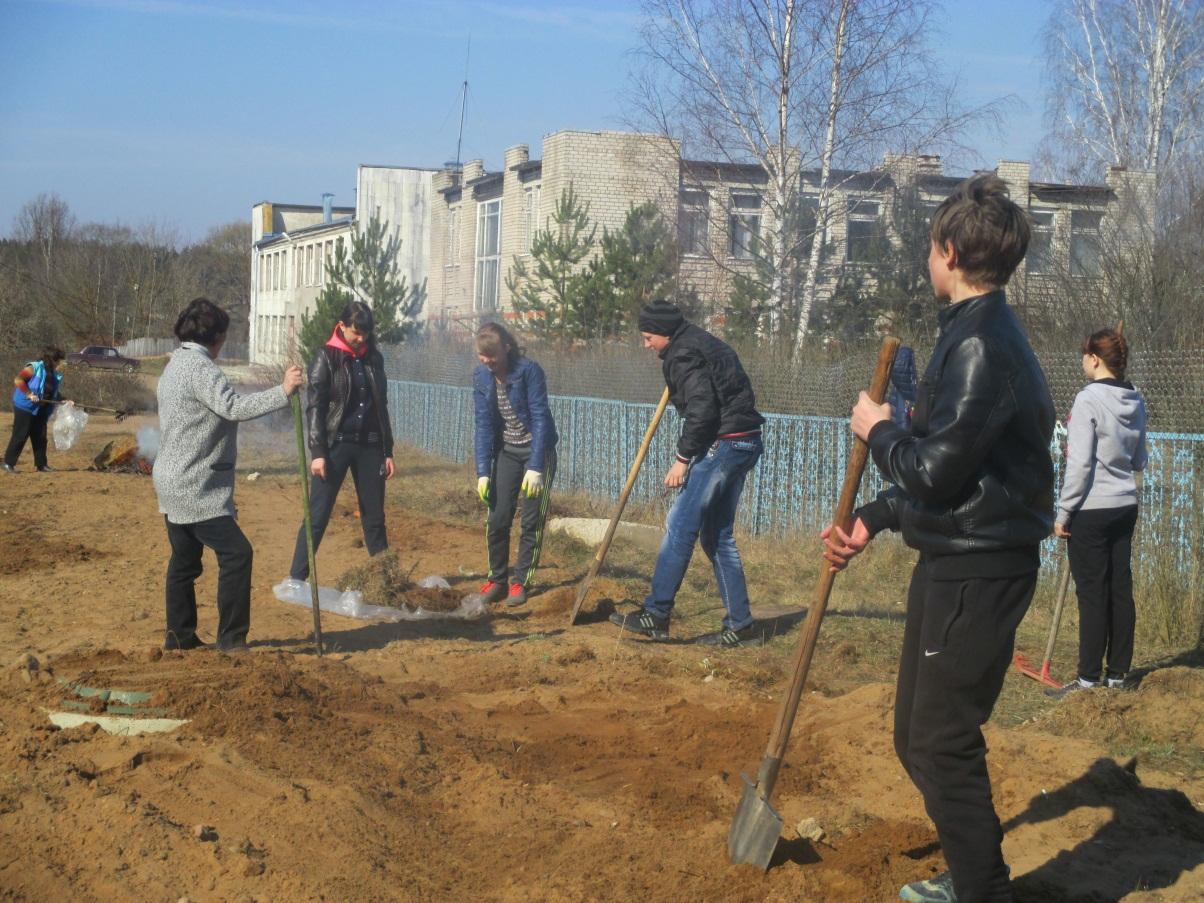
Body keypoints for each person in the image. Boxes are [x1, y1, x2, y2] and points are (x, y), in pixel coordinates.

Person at [821, 174, 1054, 903]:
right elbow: (948, 465)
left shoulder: (985, 345)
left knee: (942, 740)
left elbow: (935, 466)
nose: (927, 260)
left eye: (930, 247)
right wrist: (877, 517)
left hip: (979, 570)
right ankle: (972, 867)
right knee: (914, 736)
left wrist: (876, 428)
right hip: (953, 554)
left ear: (949, 253)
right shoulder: (970, 334)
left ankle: (983, 889)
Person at [608, 299, 766, 647]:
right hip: (745, 441)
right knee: (716, 536)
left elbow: (703, 409)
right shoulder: (698, 343)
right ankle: (741, 627)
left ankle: (656, 614)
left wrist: (682, 458)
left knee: (680, 524)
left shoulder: (682, 354)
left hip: (726, 443)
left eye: (649, 337)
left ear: (665, 333)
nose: (646, 344)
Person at [154, 298, 302, 652]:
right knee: (238, 554)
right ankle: (232, 641)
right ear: (216, 337)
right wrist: (283, 391)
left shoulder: (176, 363)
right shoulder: (200, 368)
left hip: (172, 480)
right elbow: (233, 407)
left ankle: (179, 637)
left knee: (185, 561)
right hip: (195, 485)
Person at [1047, 328, 1147, 699]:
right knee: (1120, 590)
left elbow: (1080, 465)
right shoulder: (1136, 399)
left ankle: (1088, 680)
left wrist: (1064, 512)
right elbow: (1139, 459)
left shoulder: (1088, 400)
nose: (1081, 362)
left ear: (1094, 359)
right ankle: (1118, 675)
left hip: (1091, 509)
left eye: (1083, 355)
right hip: (1125, 505)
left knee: (1092, 594)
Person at [288, 302, 396, 581]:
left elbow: (381, 405)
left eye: (366, 334)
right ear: (342, 326)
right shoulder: (326, 357)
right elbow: (316, 406)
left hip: (370, 445)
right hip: (335, 445)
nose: (361, 339)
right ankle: (297, 578)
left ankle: (385, 581)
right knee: (318, 514)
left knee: (374, 517)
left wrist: (387, 450)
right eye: (356, 333)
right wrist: (318, 451)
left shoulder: (375, 358)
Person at [473, 322, 558, 607]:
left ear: (507, 348)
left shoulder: (529, 372)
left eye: (492, 356)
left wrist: (536, 466)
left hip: (537, 452)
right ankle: (496, 579)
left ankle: (520, 580)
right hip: (507, 453)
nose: (487, 362)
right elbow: (483, 425)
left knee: (531, 520)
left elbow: (540, 417)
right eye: (482, 356)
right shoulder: (481, 378)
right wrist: (483, 472)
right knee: (498, 518)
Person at [5, 346, 68, 474]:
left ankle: (41, 465)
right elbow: (18, 380)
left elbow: (51, 391)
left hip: (41, 409)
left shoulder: (53, 373)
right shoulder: (34, 368)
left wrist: (65, 399)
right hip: (25, 406)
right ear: (51, 359)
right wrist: (29, 394)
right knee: (20, 435)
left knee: (40, 437)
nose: (61, 363)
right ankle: (8, 463)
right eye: (59, 360)